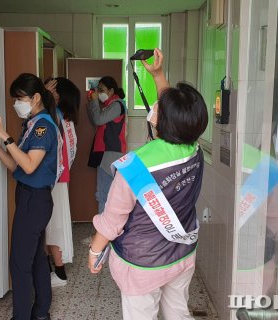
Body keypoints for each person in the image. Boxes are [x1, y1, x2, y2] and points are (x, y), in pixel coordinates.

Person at [87, 48, 208, 320]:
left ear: (160, 121)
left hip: (143, 263)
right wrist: (158, 75)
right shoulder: (194, 148)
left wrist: (95, 250)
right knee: (178, 313)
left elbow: (112, 220)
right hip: (181, 254)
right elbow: (174, 112)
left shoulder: (135, 166)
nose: (153, 110)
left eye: (156, 110)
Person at [0, 73, 62, 320]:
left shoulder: (42, 127)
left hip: (35, 200)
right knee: (37, 257)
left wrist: (4, 135)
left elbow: (29, 166)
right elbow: (17, 167)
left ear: (36, 97)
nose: (17, 103)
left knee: (19, 264)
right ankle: (40, 312)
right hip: (30, 198)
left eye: (20, 98)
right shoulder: (32, 124)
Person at [43, 77, 80, 287]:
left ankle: (59, 274)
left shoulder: (54, 116)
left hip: (53, 180)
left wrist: (44, 97)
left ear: (58, 95)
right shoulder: (65, 118)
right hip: (60, 178)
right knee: (55, 224)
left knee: (53, 226)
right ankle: (56, 271)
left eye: (50, 90)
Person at [87, 76, 127, 216]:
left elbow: (98, 120)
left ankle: (103, 235)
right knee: (105, 193)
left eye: (101, 90)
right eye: (97, 89)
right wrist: (92, 102)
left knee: (104, 194)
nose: (98, 92)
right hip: (106, 153)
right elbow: (96, 119)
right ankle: (105, 233)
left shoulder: (117, 105)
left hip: (111, 155)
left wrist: (94, 102)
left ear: (111, 90)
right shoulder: (109, 105)